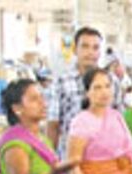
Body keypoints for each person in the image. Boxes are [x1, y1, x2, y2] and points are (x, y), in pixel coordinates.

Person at [48, 26, 123, 155]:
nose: (90, 52)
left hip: (103, 158)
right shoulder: (61, 82)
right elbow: (53, 125)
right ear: (75, 50)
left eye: (95, 48)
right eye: (85, 46)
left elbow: (119, 120)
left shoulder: (112, 81)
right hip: (70, 159)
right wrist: (50, 160)